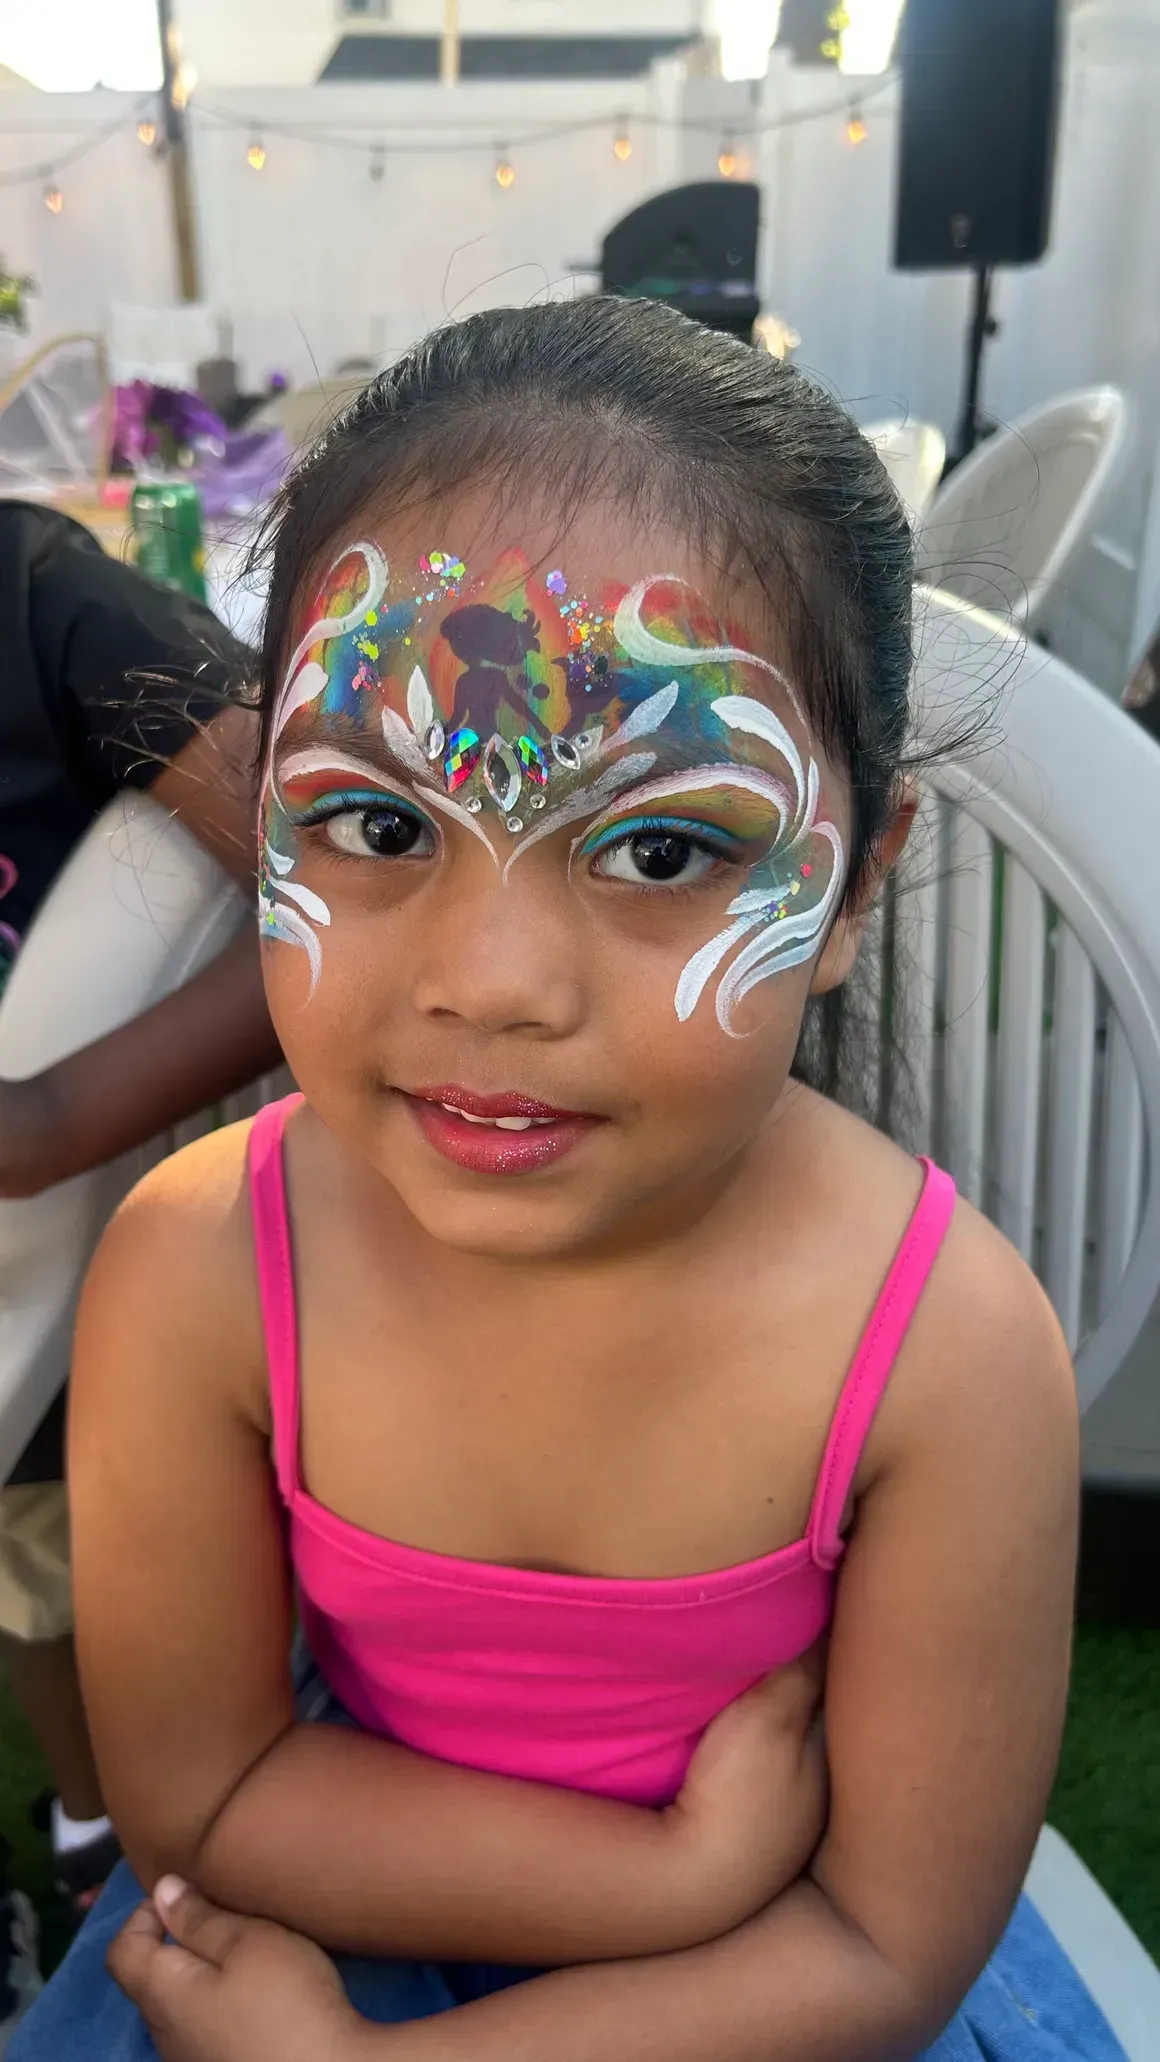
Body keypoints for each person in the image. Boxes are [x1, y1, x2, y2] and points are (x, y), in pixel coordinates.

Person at [10, 300, 1122, 2062]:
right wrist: (665, 1877)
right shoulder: (205, 1266)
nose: (496, 980)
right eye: (375, 826)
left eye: (663, 844)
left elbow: (881, 1948)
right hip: (371, 1910)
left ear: (850, 888)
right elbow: (204, 1803)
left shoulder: (948, 1354)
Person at [0, 502, 278, 1985]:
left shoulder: (36, 596)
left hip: (67, 1263)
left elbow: (334, 872)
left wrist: (52, 1115)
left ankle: (108, 1837)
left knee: (73, 1561)